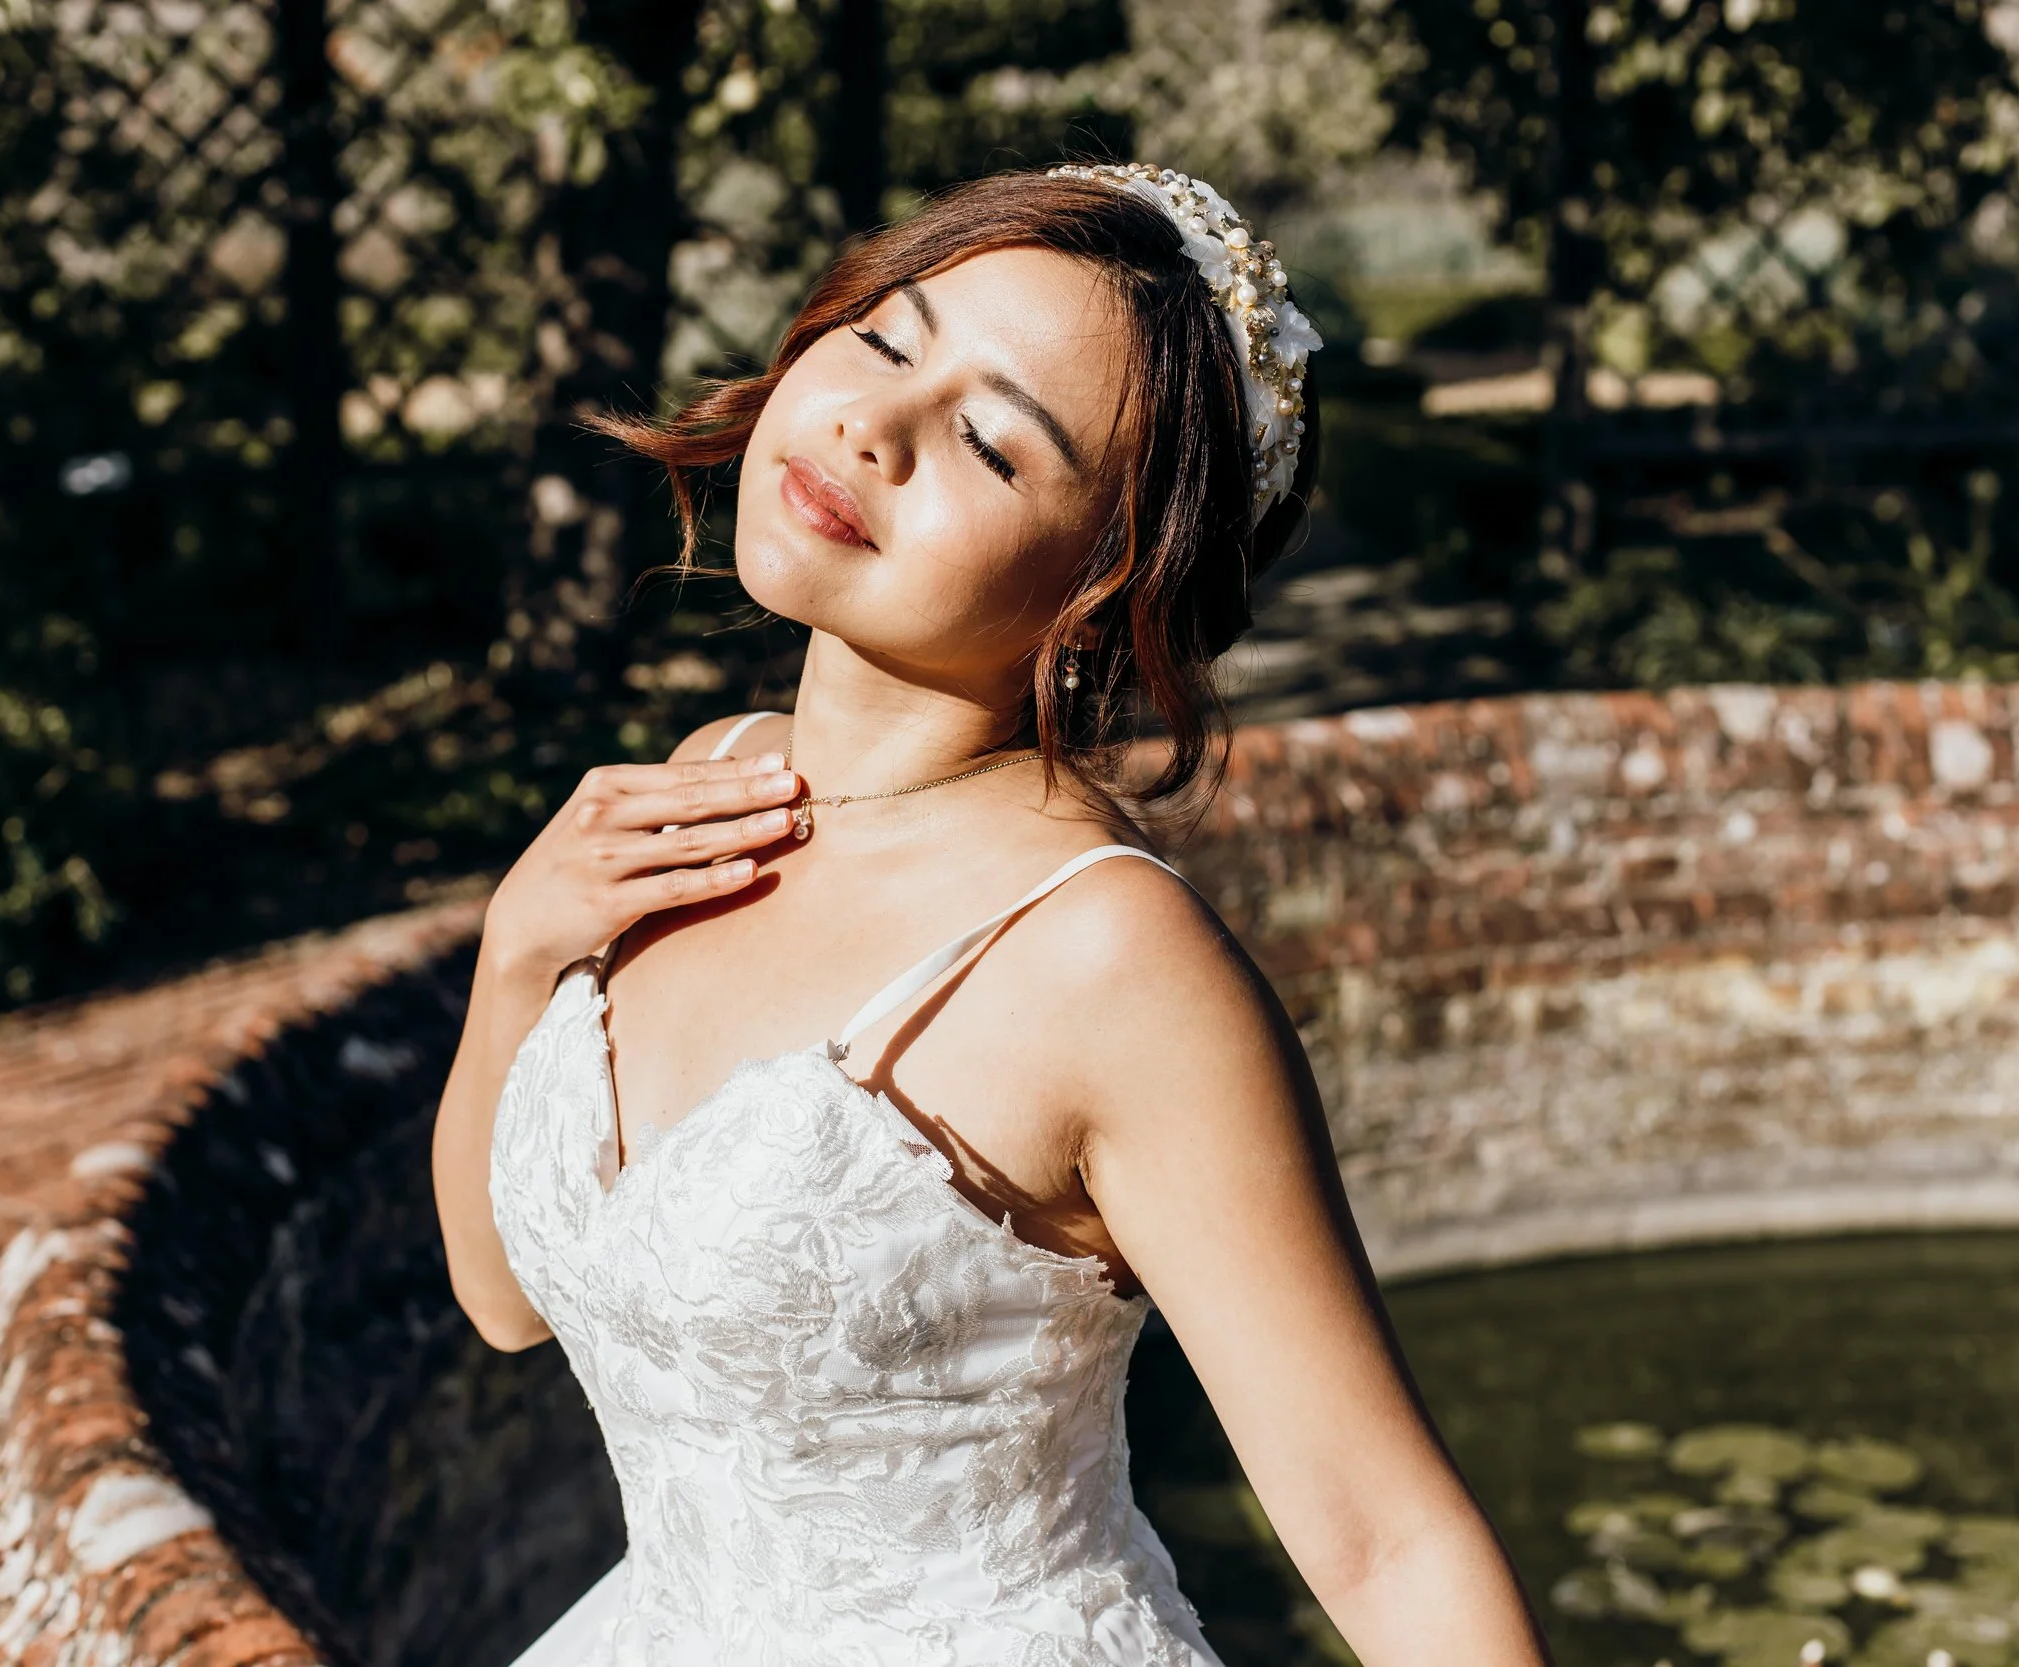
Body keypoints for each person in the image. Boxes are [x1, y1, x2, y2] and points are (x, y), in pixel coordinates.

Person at [429, 162, 1550, 1666]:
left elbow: (1385, 1537)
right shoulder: (710, 784)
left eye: (988, 440)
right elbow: (504, 1298)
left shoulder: (1104, 960)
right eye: (888, 340)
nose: (871, 428)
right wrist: (519, 952)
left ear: (1108, 584)